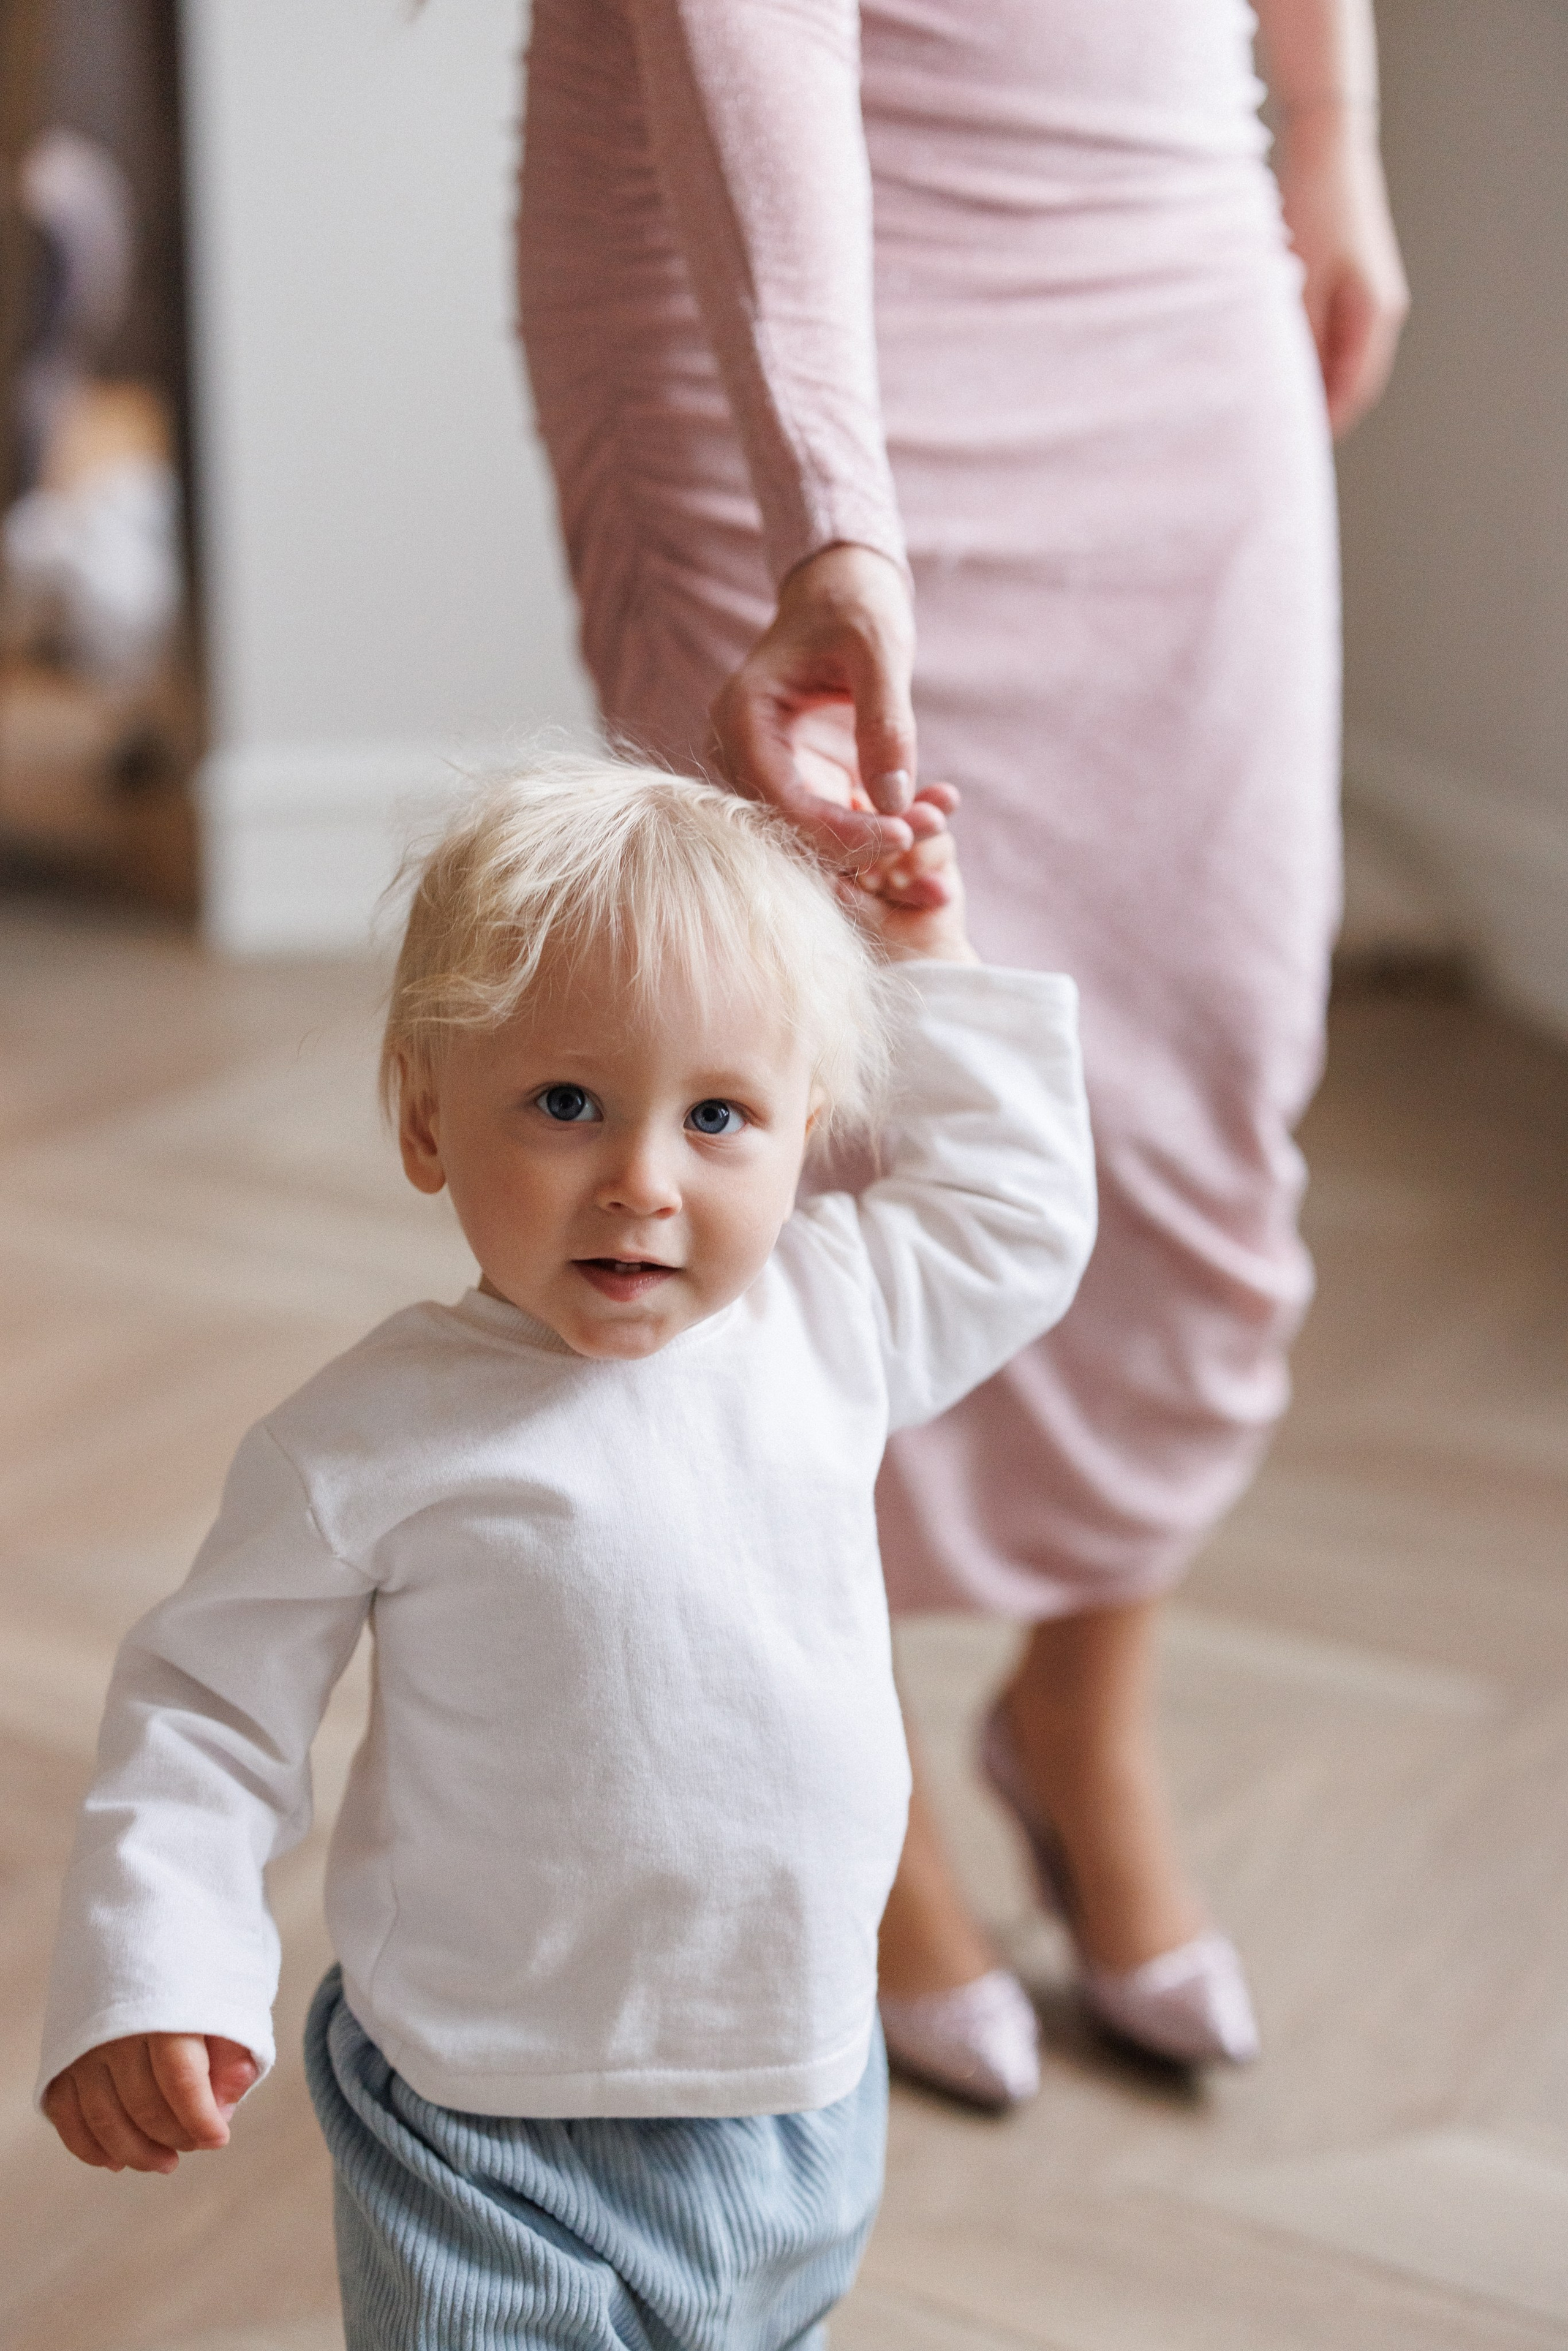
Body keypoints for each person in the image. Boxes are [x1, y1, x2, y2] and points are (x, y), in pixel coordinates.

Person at [518, 0, 1409, 2102]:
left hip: (1162, 211)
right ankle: (875, 1786)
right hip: (757, 260)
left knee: (1205, 1054)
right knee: (786, 1122)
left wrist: (1334, 123)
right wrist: (830, 502)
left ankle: (1081, 1723)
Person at [36, 757, 1095, 2346]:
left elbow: (1017, 1216)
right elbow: (208, 1709)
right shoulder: (369, 1437)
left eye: (718, 1114)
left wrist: (929, 968)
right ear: (424, 1116)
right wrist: (160, 1965)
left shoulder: (830, 1321)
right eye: (565, 1104)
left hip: (793, 2077)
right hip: (481, 2106)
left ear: (807, 1128)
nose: (644, 1182)